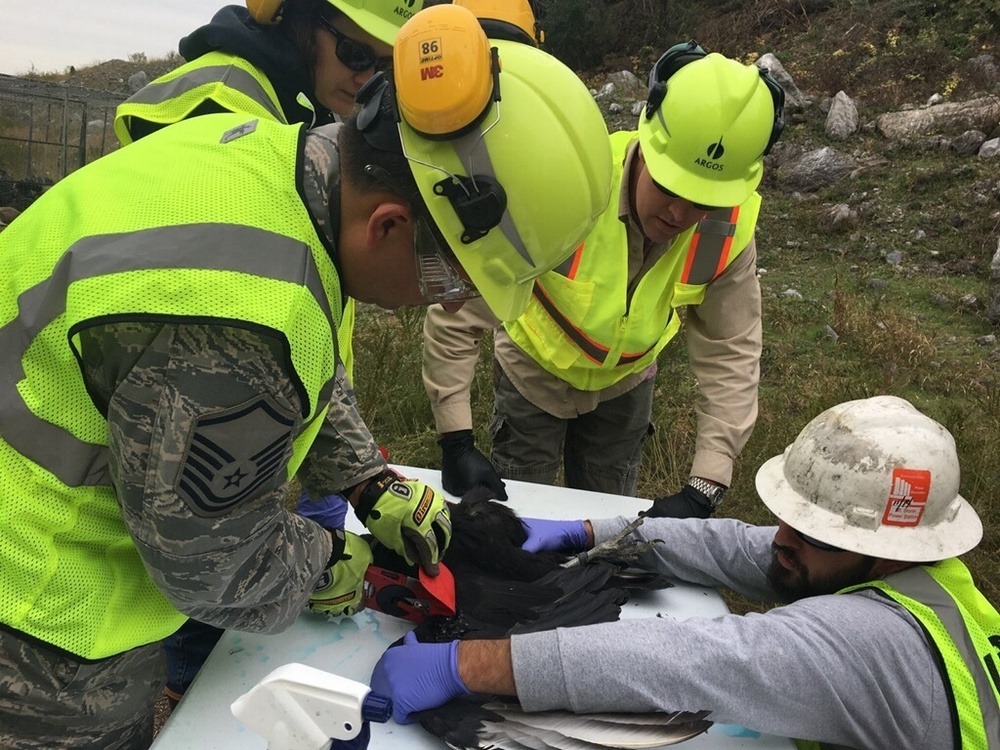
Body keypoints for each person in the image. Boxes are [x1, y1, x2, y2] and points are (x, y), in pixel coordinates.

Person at [0, 7, 613, 747]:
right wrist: (331, 561)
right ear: (388, 225)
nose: (447, 301)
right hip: (38, 611)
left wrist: (367, 480)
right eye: (451, 280)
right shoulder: (236, 316)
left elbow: (303, 362)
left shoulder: (278, 167)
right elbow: (214, 565)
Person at [112, 0, 429, 708]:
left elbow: (292, 335)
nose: (368, 79)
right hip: (69, 548)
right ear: (297, 22)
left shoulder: (307, 114)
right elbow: (219, 370)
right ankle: (185, 689)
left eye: (387, 67)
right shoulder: (224, 111)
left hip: (271, 415)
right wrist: (305, 566)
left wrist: (363, 475)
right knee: (196, 655)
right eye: (356, 53)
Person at [372, 395, 1000, 750]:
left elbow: (694, 657)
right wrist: (588, 532)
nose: (780, 540)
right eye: (786, 517)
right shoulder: (923, 583)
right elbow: (740, 548)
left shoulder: (870, 646)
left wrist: (465, 665)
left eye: (809, 533)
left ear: (888, 550)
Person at [422, 41, 786, 515]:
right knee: (513, 516)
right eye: (669, 187)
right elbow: (457, 312)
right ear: (645, 141)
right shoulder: (568, 188)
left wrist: (706, 484)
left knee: (605, 521)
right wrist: (456, 440)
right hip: (533, 374)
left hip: (627, 385)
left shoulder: (728, 229)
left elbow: (731, 350)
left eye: (702, 200)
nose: (679, 213)